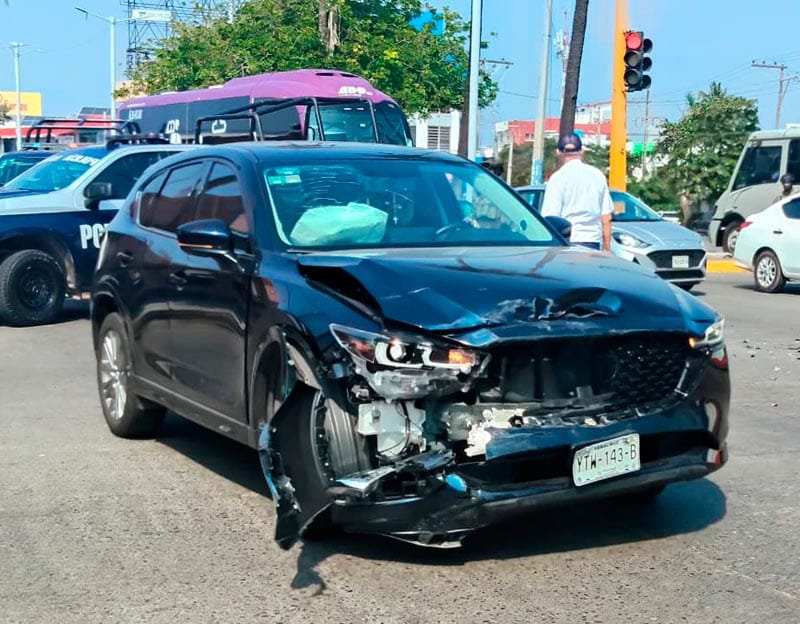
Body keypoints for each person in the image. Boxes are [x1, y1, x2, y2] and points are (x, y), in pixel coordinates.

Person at [540, 133, 614, 251]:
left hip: (566, 242)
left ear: (558, 152)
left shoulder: (557, 178)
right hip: (592, 242)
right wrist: (607, 248)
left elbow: (551, 217)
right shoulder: (597, 176)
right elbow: (606, 217)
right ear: (582, 151)